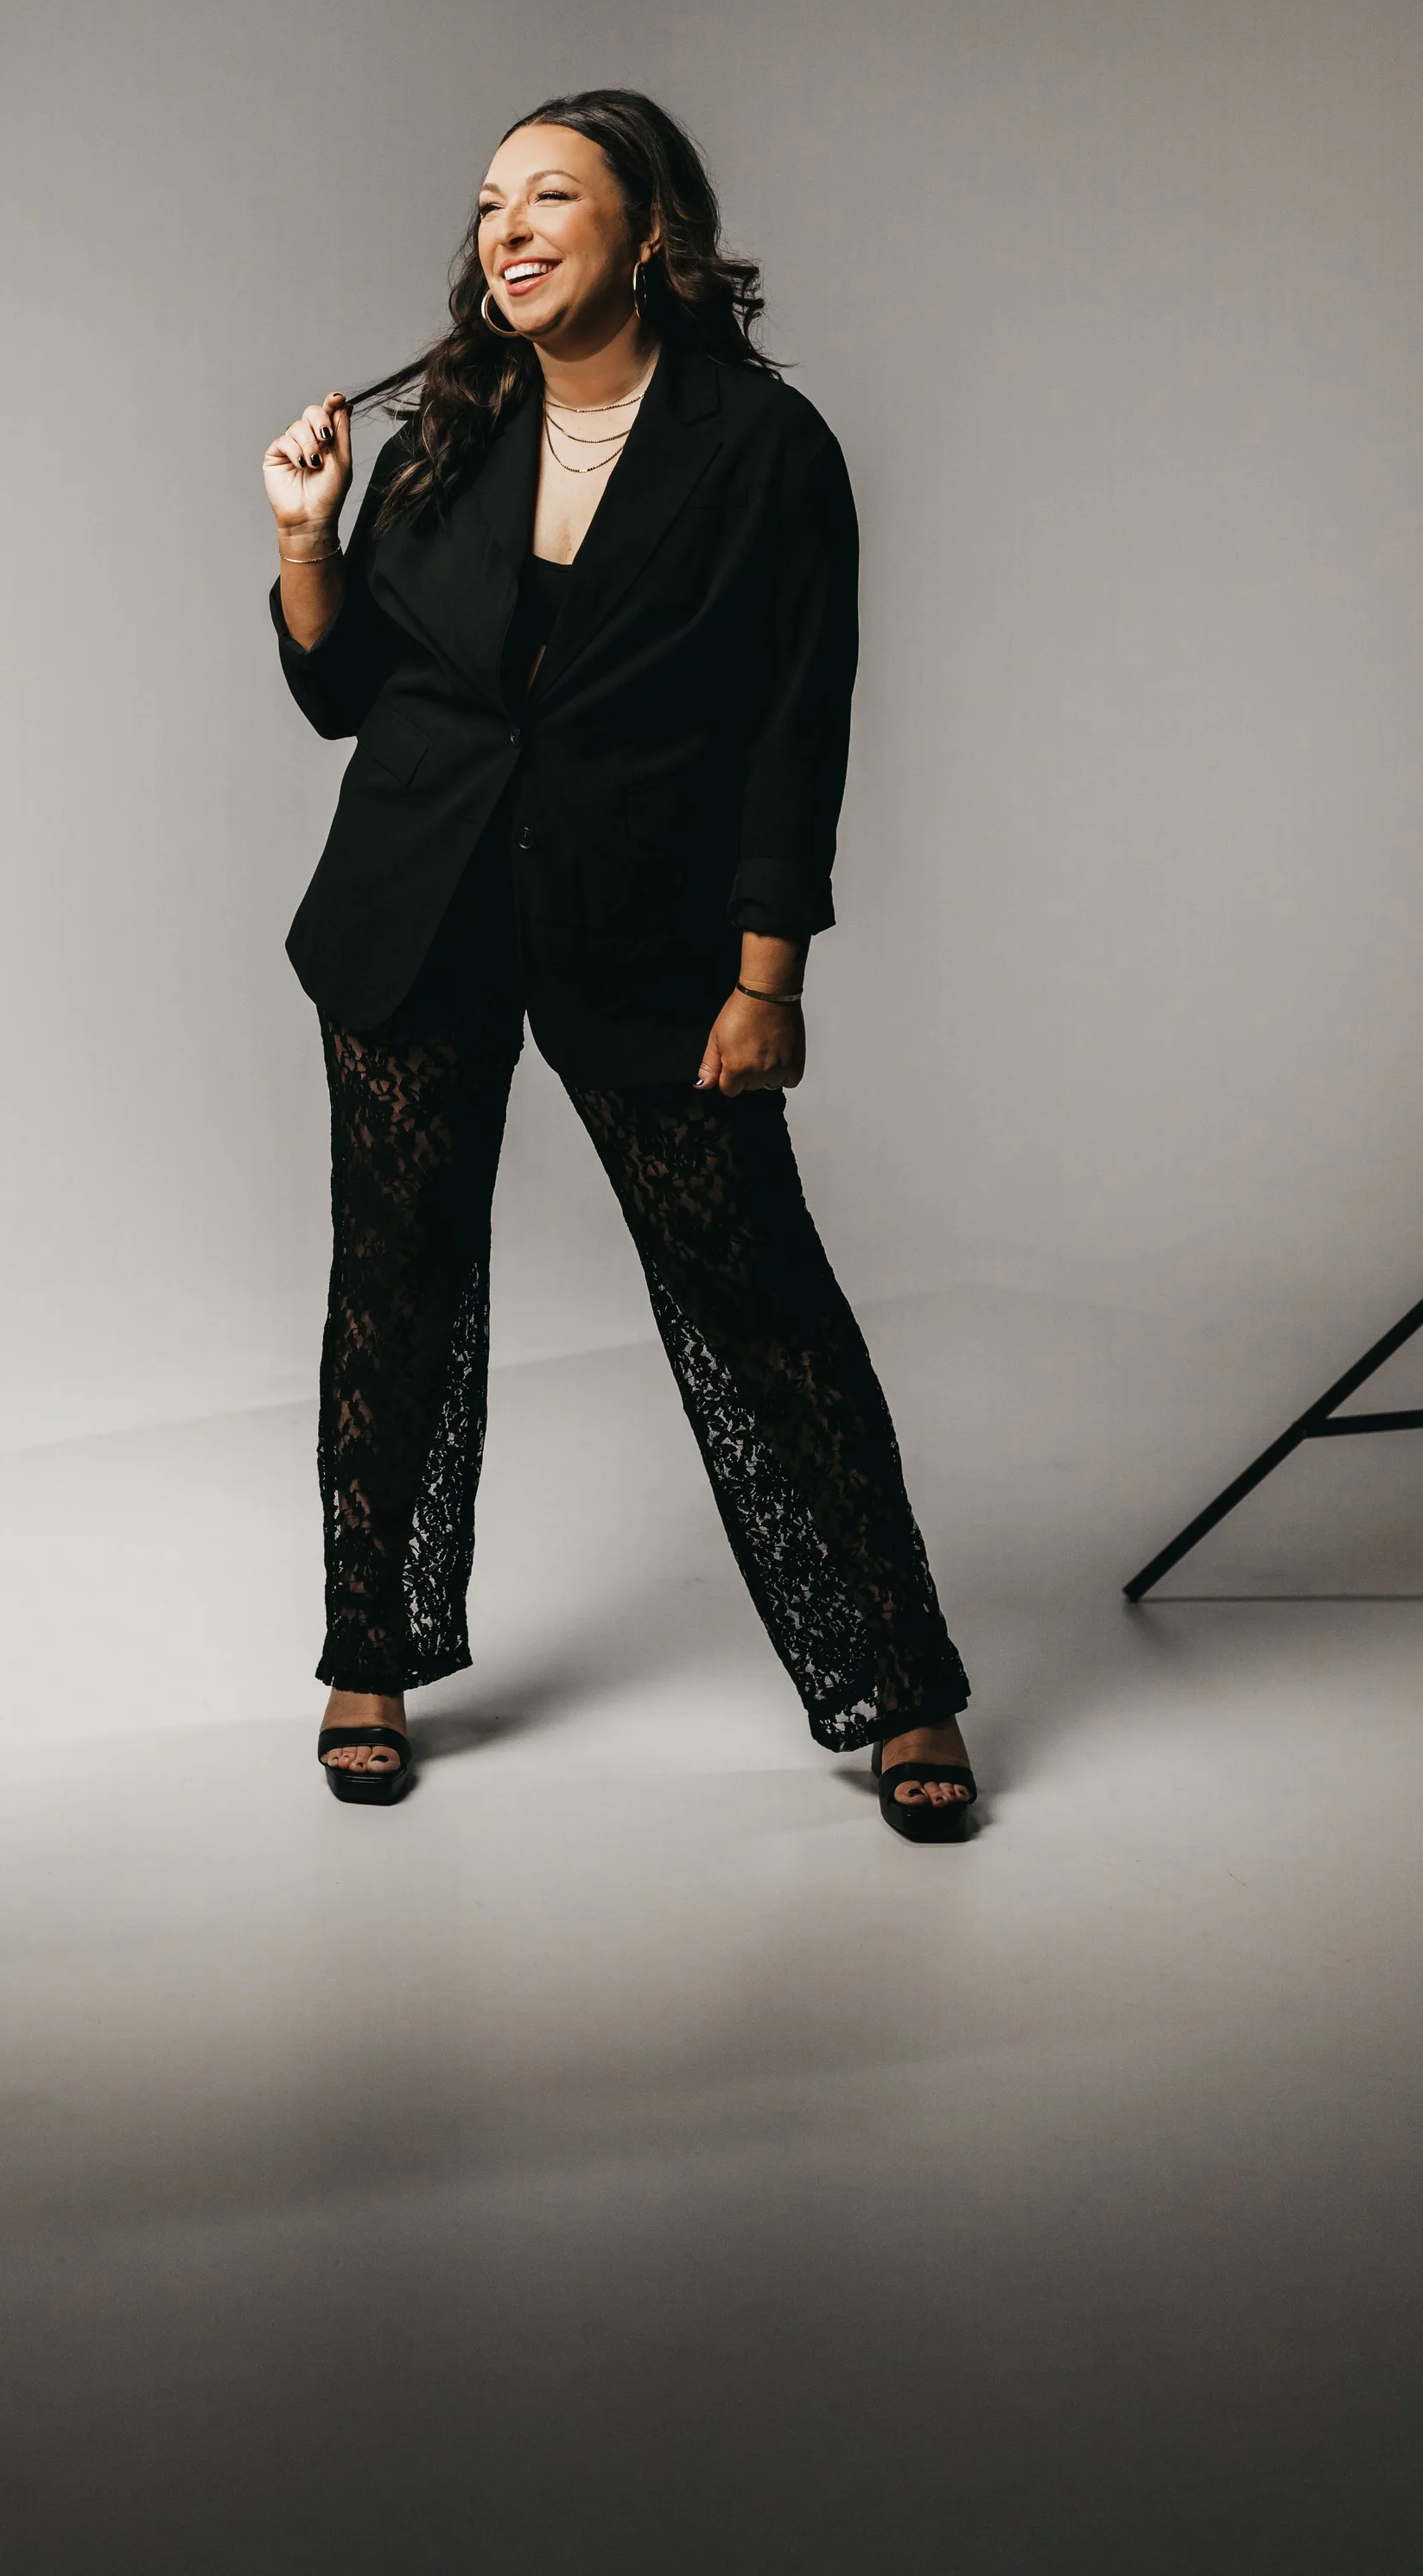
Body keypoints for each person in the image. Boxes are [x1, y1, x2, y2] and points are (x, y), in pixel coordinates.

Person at [261, 91, 976, 1844]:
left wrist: (766, 974)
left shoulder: (759, 447)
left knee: (756, 1302)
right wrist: (301, 537)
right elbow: (343, 691)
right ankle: (369, 1647)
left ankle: (899, 1677)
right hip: (416, 902)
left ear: (645, 224)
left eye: (548, 196)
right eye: (489, 201)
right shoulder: (439, 423)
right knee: (393, 1288)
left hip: (643, 930)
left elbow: (791, 734)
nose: (505, 227)